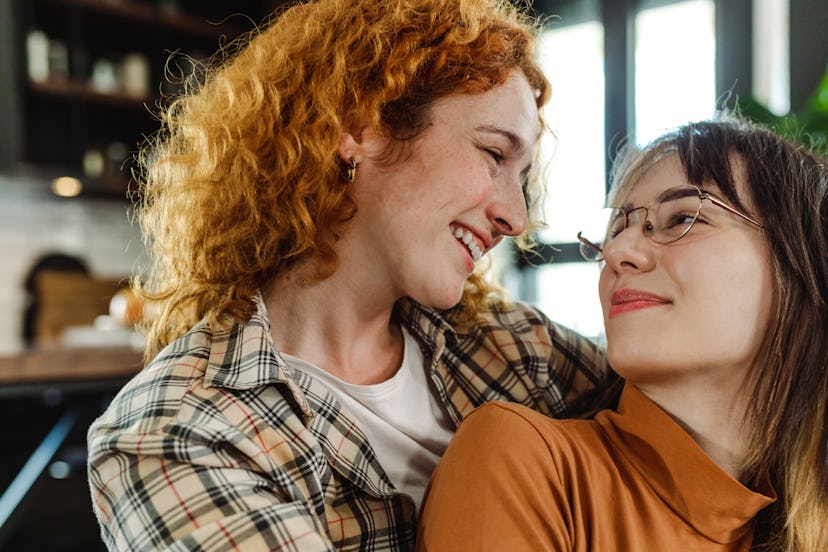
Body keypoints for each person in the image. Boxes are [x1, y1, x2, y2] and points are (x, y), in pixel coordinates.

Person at [86, 0, 611, 550]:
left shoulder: (511, 345)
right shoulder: (177, 431)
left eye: (522, 176)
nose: (516, 216)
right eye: (492, 153)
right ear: (361, 125)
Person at [417, 115, 828, 551]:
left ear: (799, 271)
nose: (616, 252)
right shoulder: (525, 462)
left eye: (683, 219)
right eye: (617, 228)